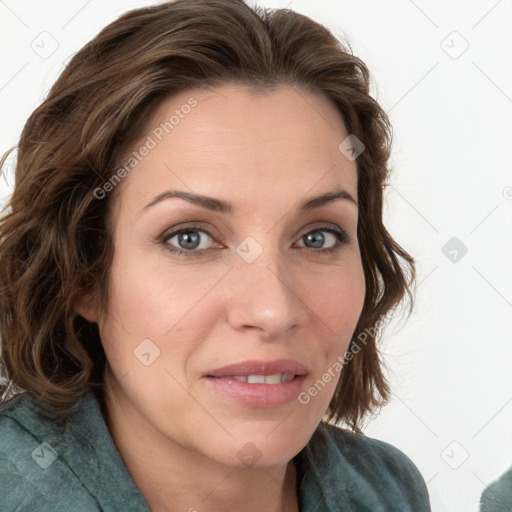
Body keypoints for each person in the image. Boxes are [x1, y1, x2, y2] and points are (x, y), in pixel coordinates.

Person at [0, 0, 431, 510]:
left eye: (317, 237)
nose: (273, 310)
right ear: (81, 272)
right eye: (190, 238)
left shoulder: (387, 491)